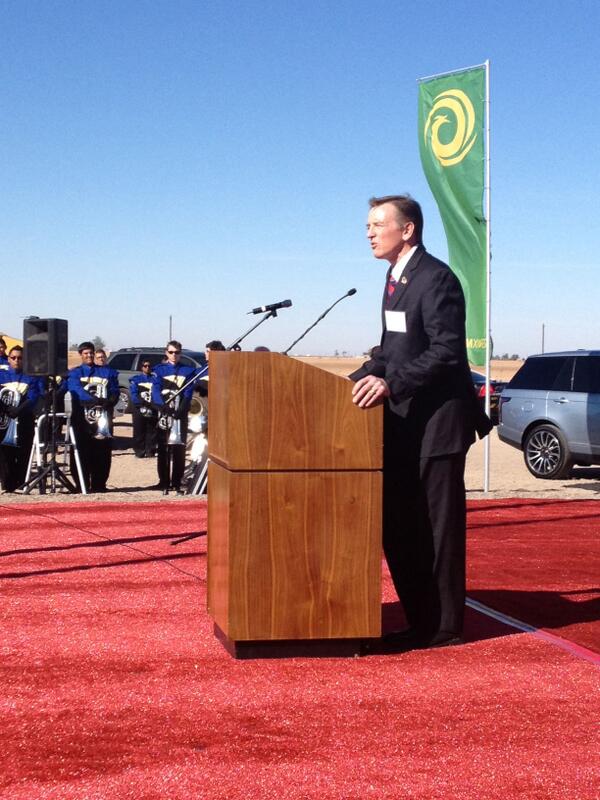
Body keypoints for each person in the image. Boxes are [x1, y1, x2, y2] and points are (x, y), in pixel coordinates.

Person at [350, 195, 491, 652]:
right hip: (406, 427)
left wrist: (391, 384)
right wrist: (355, 379)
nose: (369, 233)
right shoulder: (394, 278)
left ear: (407, 229)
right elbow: (391, 350)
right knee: (400, 524)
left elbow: (446, 351)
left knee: (436, 528)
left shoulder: (436, 278)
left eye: (377, 224)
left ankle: (444, 626)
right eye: (367, 225)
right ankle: (420, 619)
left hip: (439, 427)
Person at [67, 341, 119, 492]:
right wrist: (93, 400)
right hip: (81, 419)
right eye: (86, 353)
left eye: (91, 353)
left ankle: (99, 484)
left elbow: (114, 389)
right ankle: (81, 484)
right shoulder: (75, 373)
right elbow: (75, 389)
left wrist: (110, 400)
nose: (89, 355)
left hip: (102, 419)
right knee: (81, 451)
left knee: (102, 452)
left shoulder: (106, 372)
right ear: (80, 355)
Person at [151, 340, 199, 494]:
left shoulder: (187, 371)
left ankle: (176, 482)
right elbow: (155, 390)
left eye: (177, 352)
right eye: (171, 352)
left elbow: (188, 392)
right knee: (163, 449)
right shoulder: (159, 370)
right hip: (164, 414)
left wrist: (182, 409)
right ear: (166, 353)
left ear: (180, 353)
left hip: (179, 415)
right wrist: (162, 406)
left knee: (179, 449)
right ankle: (164, 482)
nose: (174, 355)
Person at [0, 346, 43, 492]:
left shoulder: (31, 377)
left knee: (24, 452)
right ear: (8, 359)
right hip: (5, 420)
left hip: (24, 419)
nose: (16, 360)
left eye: (20, 358)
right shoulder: (1, 375)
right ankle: (7, 485)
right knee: (5, 454)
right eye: (13, 358)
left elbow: (33, 397)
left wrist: (18, 410)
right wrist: (7, 409)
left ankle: (21, 483)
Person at [129, 360, 158, 458]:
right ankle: (139, 451)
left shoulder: (155, 379)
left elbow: (157, 393)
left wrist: (153, 404)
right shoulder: (136, 379)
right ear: (141, 367)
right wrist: (143, 403)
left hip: (152, 407)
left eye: (149, 366)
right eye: (145, 366)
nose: (147, 368)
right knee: (139, 430)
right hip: (139, 407)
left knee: (152, 430)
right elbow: (134, 394)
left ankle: (150, 451)